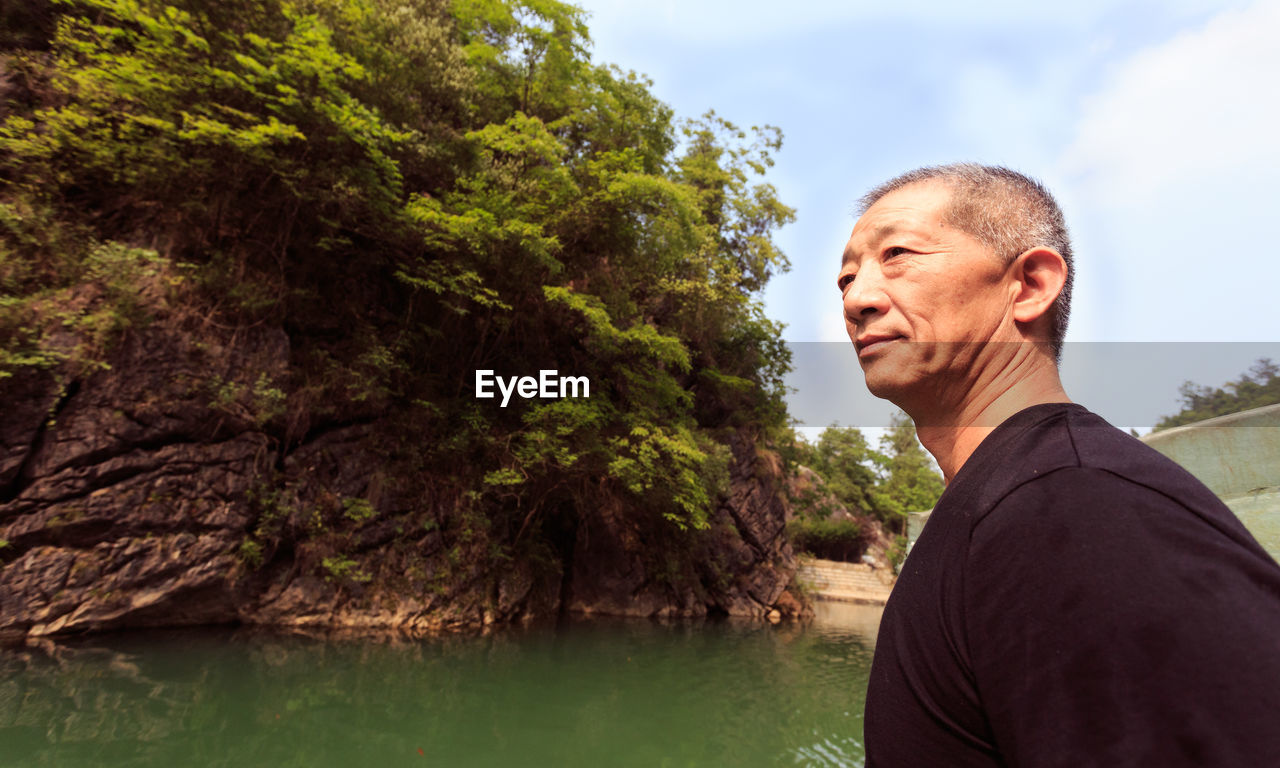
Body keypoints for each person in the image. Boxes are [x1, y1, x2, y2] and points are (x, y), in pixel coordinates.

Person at [839, 163, 1280, 767]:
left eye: (898, 254)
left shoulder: (1078, 509)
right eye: (846, 278)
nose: (857, 299)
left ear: (1029, 286)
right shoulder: (1007, 505)